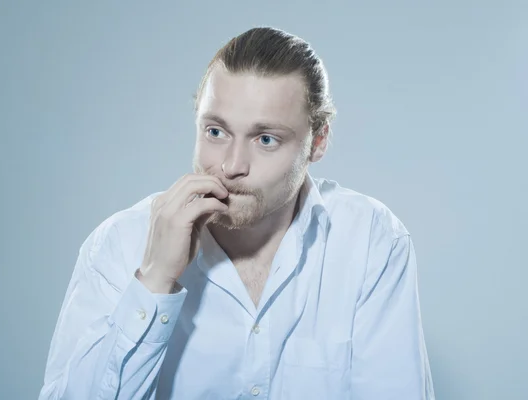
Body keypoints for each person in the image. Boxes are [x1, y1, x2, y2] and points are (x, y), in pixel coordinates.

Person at [38, 26, 435, 400]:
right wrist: (155, 280)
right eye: (216, 132)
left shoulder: (370, 240)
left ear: (318, 143)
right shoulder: (118, 243)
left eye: (265, 139)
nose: (231, 166)